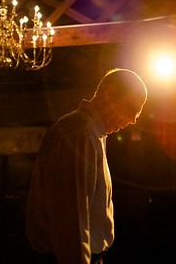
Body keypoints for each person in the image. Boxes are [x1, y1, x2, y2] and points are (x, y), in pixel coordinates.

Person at [26, 68, 148, 264]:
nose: (133, 120)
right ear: (109, 94)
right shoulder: (79, 134)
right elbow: (70, 219)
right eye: (131, 108)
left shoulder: (92, 132)